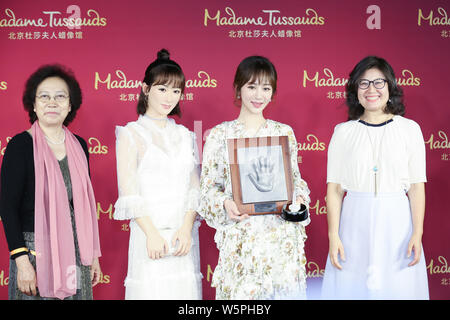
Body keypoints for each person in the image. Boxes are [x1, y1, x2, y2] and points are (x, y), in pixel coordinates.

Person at [198, 55, 310, 300]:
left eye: (266, 88)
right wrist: (225, 204)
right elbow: (207, 191)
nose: (258, 95)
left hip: (280, 241)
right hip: (241, 242)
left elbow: (295, 180)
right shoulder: (220, 135)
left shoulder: (283, 133)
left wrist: (299, 198)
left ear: (273, 93)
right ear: (238, 88)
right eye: (251, 86)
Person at [321, 56, 429, 299]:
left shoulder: (409, 129)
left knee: (398, 288)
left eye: (379, 82)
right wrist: (334, 235)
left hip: (397, 224)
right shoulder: (343, 132)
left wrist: (417, 232)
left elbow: (416, 187)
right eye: (364, 83)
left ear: (390, 87)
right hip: (353, 223)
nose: (371, 90)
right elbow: (335, 189)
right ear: (355, 90)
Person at [0, 64, 102, 300]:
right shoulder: (20, 146)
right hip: (35, 254)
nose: (52, 102)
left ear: (70, 105)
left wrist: (93, 257)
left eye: (60, 96)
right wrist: (22, 262)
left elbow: (81, 207)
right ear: (33, 105)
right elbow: (7, 208)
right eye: (44, 97)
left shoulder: (80, 146)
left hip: (76, 253)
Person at [114, 49, 202, 300]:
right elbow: (129, 193)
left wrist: (186, 228)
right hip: (148, 239)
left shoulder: (187, 136)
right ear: (145, 89)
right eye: (162, 89)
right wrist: (151, 234)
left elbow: (194, 188)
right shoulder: (131, 134)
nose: (169, 97)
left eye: (176, 91)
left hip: (182, 238)